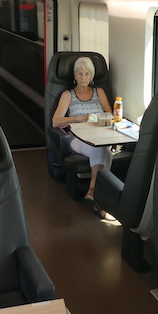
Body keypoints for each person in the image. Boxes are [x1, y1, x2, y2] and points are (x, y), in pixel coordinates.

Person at [51, 56, 114, 218]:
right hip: (78, 139)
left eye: (87, 74)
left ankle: (98, 201)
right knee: (101, 149)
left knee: (105, 150)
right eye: (80, 73)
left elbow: (110, 115)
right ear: (75, 76)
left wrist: (101, 119)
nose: (83, 77)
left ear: (92, 76)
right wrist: (77, 118)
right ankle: (93, 189)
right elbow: (56, 121)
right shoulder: (68, 95)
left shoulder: (99, 92)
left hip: (100, 135)